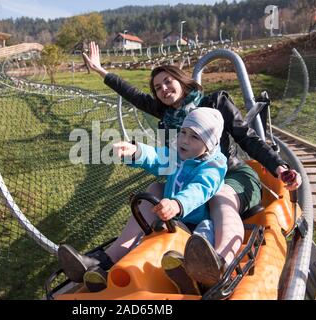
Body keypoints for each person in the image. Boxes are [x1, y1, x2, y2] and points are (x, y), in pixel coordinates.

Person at [76, 41, 302, 289]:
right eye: (157, 87)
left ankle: (221, 261)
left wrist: (278, 166)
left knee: (219, 195)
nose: (163, 88)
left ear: (181, 80)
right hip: (189, 177)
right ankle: (109, 257)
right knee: (152, 191)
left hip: (228, 174)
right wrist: (101, 72)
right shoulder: (166, 115)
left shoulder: (215, 103)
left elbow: (247, 137)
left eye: (167, 81)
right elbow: (137, 101)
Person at [58, 108, 227, 294]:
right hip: (168, 220)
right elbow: (155, 158)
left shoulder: (213, 166)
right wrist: (136, 151)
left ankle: (199, 274)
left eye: (195, 137)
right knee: (152, 199)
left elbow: (201, 189)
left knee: (205, 233)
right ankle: (105, 263)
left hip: (192, 224)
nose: (185, 140)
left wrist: (177, 204)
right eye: (183, 132)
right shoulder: (177, 156)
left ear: (210, 145)